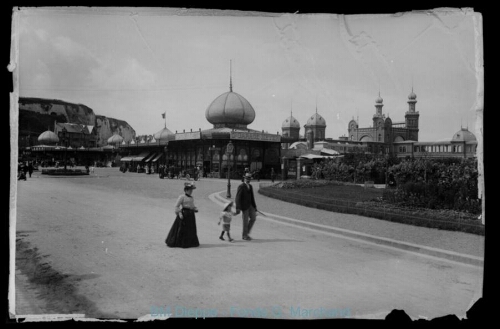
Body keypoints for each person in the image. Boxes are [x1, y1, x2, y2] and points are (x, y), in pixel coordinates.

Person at [165, 181, 200, 248]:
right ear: (186, 190)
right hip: (184, 214)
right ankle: (181, 242)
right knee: (182, 229)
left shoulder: (191, 198)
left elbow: (192, 206)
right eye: (190, 190)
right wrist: (180, 213)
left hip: (191, 215)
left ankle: (190, 242)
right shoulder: (182, 197)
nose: (191, 191)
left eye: (191, 190)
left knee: (190, 229)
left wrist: (195, 209)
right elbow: (176, 206)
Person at [235, 173, 258, 241]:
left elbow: (252, 197)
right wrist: (238, 207)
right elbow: (238, 198)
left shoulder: (250, 186)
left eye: (249, 178)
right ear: (244, 178)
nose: (248, 180)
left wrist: (255, 206)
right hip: (244, 207)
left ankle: (246, 233)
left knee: (253, 218)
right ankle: (245, 236)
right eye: (247, 178)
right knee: (245, 221)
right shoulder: (241, 186)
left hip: (251, 205)